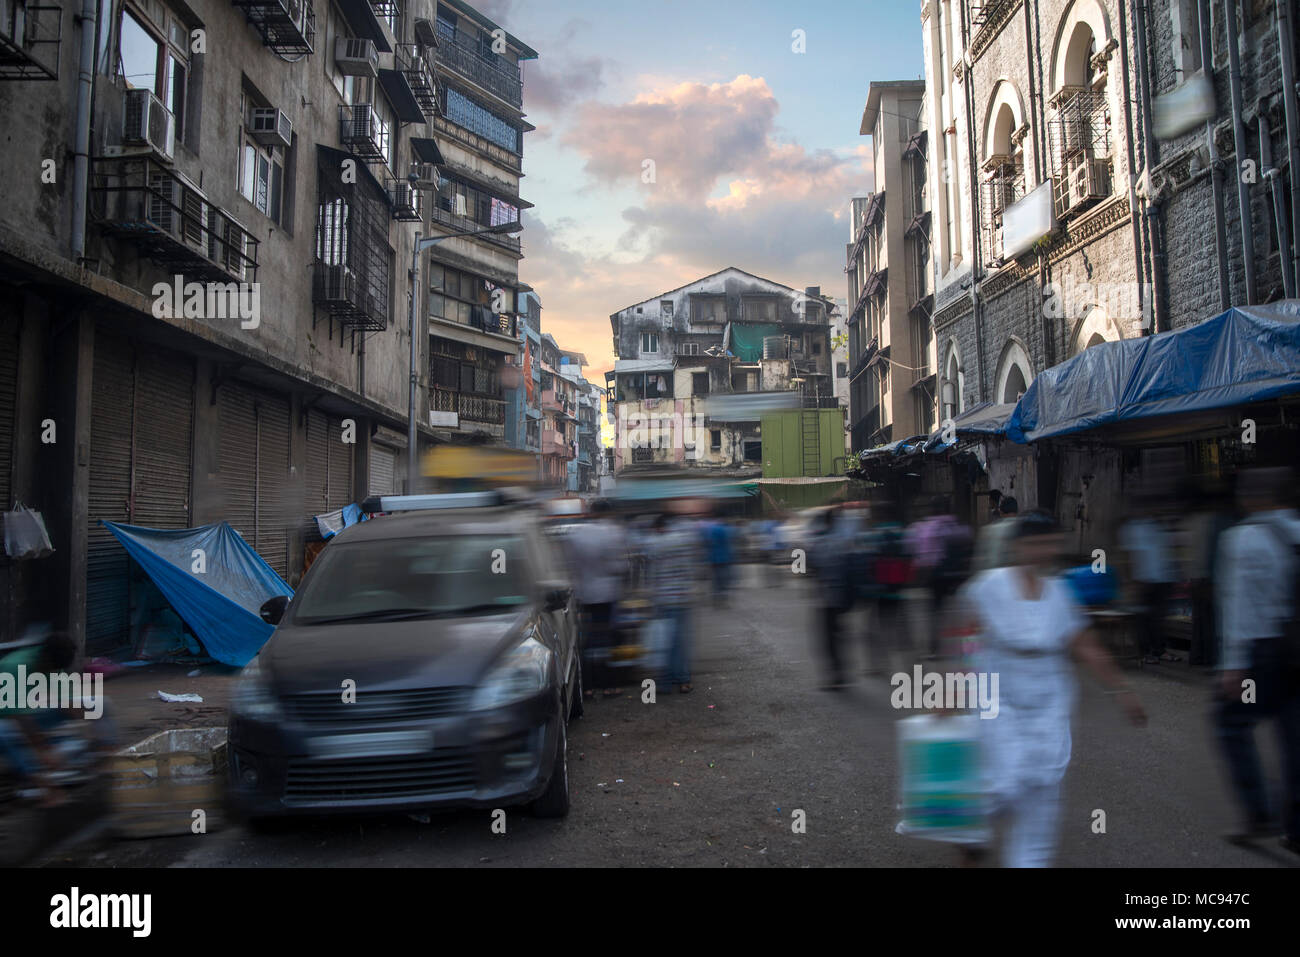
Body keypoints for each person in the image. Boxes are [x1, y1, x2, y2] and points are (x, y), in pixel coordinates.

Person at [958, 510, 1146, 867]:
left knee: (1043, 785)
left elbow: (1085, 643)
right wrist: (955, 687)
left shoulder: (1060, 593)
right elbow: (963, 638)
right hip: (998, 698)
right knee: (1007, 781)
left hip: (1048, 701)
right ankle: (970, 826)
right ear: (1017, 547)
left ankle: (1028, 860)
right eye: (1035, 544)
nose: (1043, 551)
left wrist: (1121, 689)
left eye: (1050, 543)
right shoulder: (988, 587)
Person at [1212, 467, 1300, 855]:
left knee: (1231, 722)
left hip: (1262, 657)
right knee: (1294, 737)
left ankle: (1258, 810)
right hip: (1295, 654)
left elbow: (1237, 604)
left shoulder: (1242, 539)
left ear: (1253, 498)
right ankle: (1295, 829)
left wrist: (1233, 665)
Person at [0, 631, 79, 808]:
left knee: (99, 705)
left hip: (25, 714)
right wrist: (43, 749)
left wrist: (84, 729)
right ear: (44, 656)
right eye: (51, 668)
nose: (52, 673)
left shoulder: (55, 663)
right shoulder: (14, 667)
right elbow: (19, 718)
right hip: (6, 719)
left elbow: (68, 703)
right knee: (5, 734)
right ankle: (44, 786)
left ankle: (97, 762)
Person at [561, 500, 630, 698]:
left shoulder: (576, 535)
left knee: (587, 641)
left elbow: (569, 565)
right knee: (606, 640)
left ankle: (588, 687)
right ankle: (608, 685)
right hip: (607, 594)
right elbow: (620, 567)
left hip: (583, 594)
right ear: (608, 513)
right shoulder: (614, 532)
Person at [647, 511, 703, 694]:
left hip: (664, 598)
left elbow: (652, 574)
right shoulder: (685, 540)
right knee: (680, 641)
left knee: (665, 641)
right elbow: (691, 568)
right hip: (683, 597)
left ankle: (666, 682)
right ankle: (683, 680)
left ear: (658, 527)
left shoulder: (655, 544)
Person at [1119, 500, 1181, 664]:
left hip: (1162, 579)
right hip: (1143, 580)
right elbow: (1129, 557)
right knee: (1143, 619)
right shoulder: (1132, 528)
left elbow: (1167, 552)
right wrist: (1133, 580)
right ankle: (1145, 652)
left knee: (1158, 618)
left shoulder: (1159, 526)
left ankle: (1159, 650)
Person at [973, 495, 1019, 572]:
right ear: (1017, 511)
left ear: (1000, 512)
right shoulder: (1026, 528)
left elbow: (979, 564)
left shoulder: (988, 531)